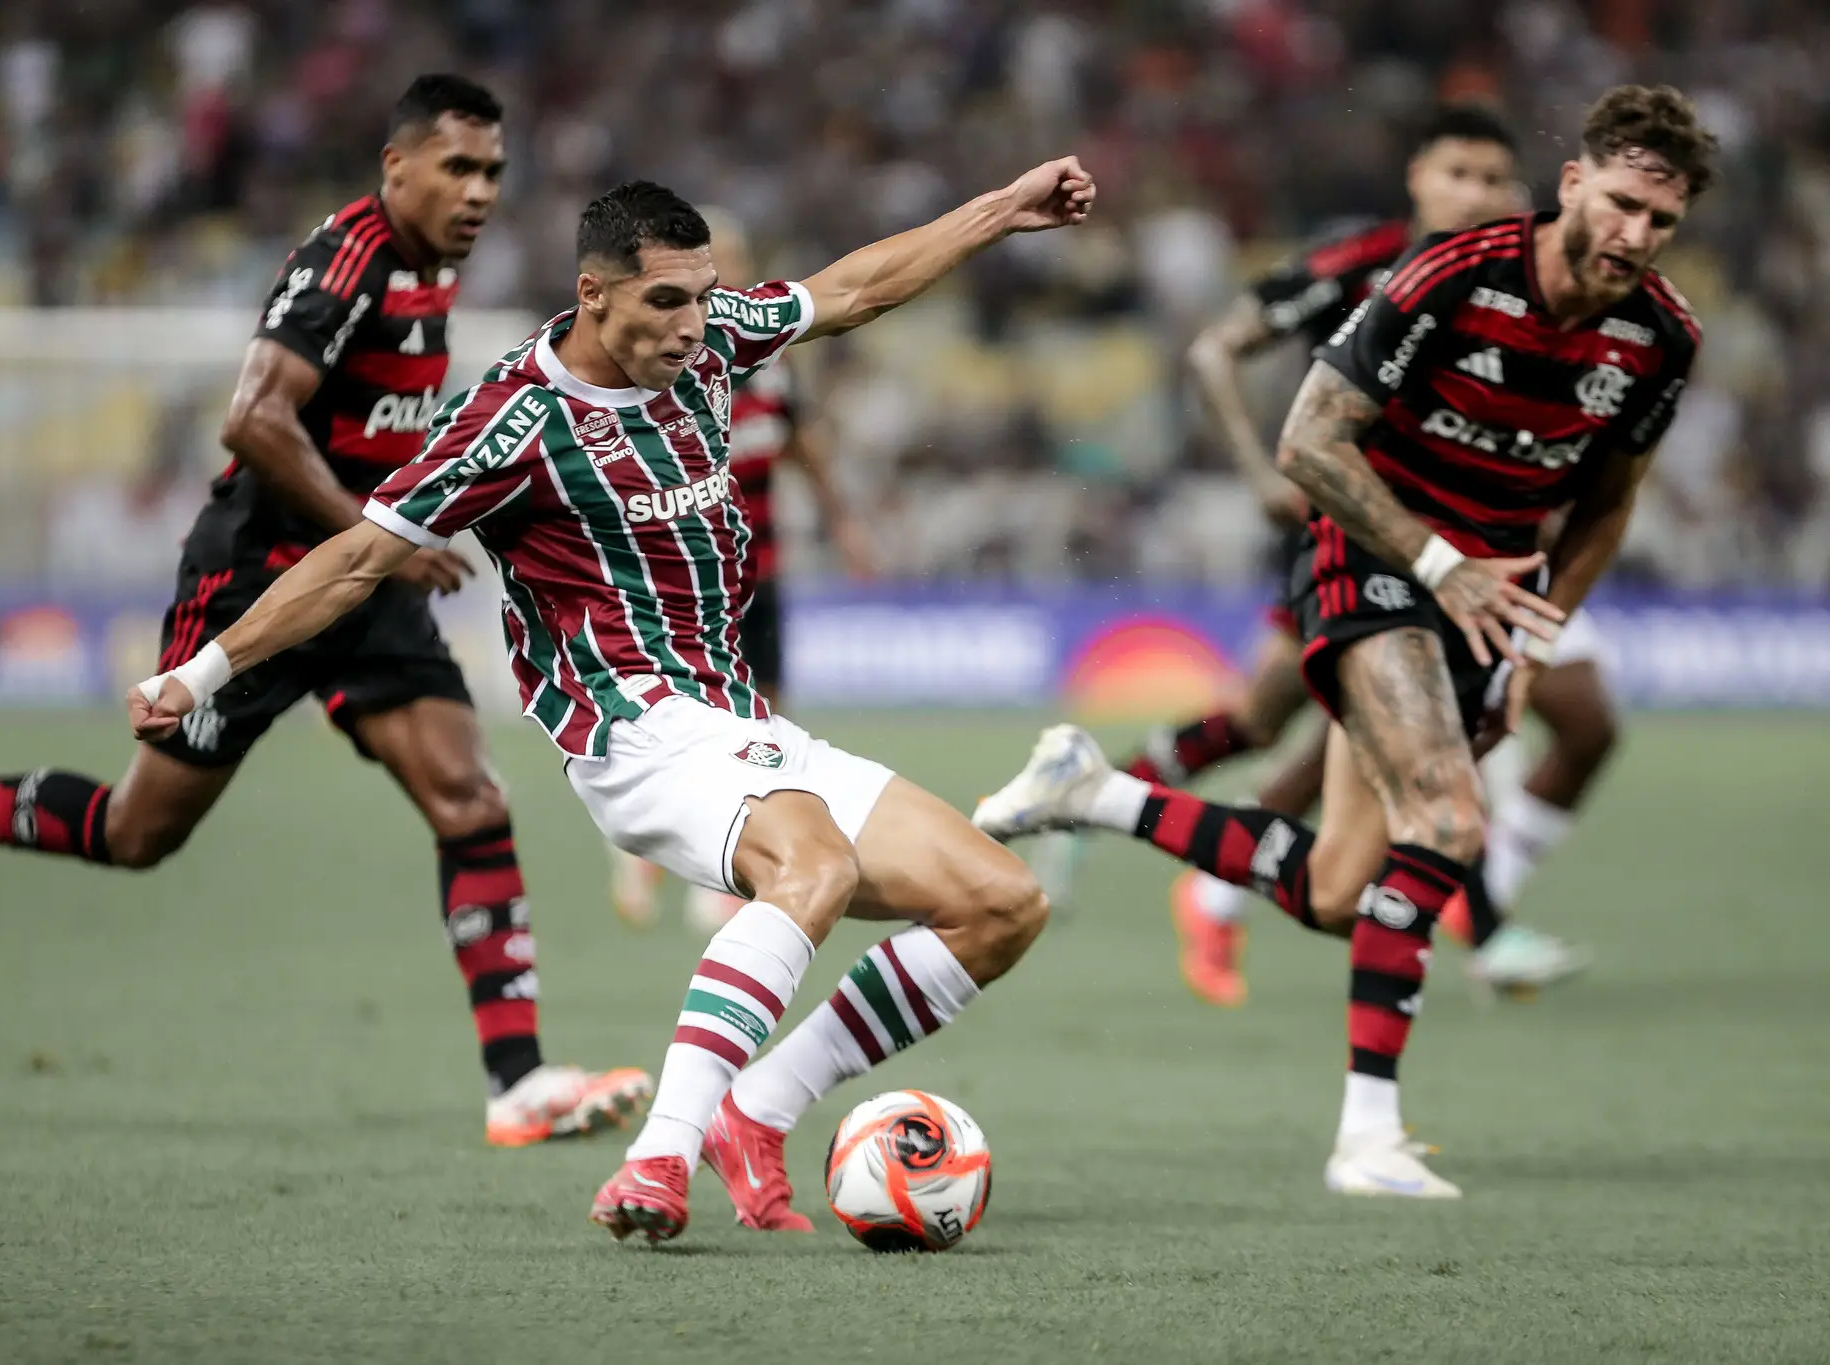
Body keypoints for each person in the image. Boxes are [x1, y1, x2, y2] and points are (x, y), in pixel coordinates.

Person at [124, 165, 1097, 1242]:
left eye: (702, 295)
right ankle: (657, 1159)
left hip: (738, 721)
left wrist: (1003, 209)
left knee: (999, 903)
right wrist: (198, 672)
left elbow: (857, 285)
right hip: (630, 730)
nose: (693, 325)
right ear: (594, 294)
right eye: (665, 303)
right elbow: (355, 559)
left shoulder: (714, 335)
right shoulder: (513, 423)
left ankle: (756, 1114)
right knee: (808, 862)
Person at [0, 74, 650, 1150]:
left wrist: (388, 539)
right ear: (395, 166)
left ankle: (518, 1082)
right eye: (457, 166)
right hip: (257, 580)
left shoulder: (434, 264)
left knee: (469, 797)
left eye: (493, 168)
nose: (480, 188)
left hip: (360, 581)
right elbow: (255, 419)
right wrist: (378, 534)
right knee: (136, 834)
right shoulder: (346, 260)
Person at [979, 85, 1711, 1198]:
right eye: (1617, 204)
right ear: (1572, 185)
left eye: (1659, 222)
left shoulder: (1658, 338)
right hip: (1373, 559)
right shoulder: (1447, 273)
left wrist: (1526, 638)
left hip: (1485, 596)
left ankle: (1096, 795)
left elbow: (1605, 503)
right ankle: (1365, 1138)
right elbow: (1309, 440)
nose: (1632, 235)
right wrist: (1432, 562)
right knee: (1446, 818)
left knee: (1336, 893)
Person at [1093, 105, 1596, 1006]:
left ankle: (1467, 919)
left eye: (1493, 180)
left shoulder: (1531, 284)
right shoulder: (1363, 266)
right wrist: (1257, 469)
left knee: (1377, 733)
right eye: (1459, 174)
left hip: (1485, 550)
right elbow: (1216, 349)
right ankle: (1127, 814)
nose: (1476, 194)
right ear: (1417, 176)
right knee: (1289, 723)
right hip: (1360, 538)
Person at [605, 207, 878, 935]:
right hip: (694, 582)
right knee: (699, 717)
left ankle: (723, 858)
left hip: (767, 565)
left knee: (768, 712)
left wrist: (844, 522)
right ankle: (664, 856)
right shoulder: (667, 370)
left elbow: (805, 449)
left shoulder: (771, 367)